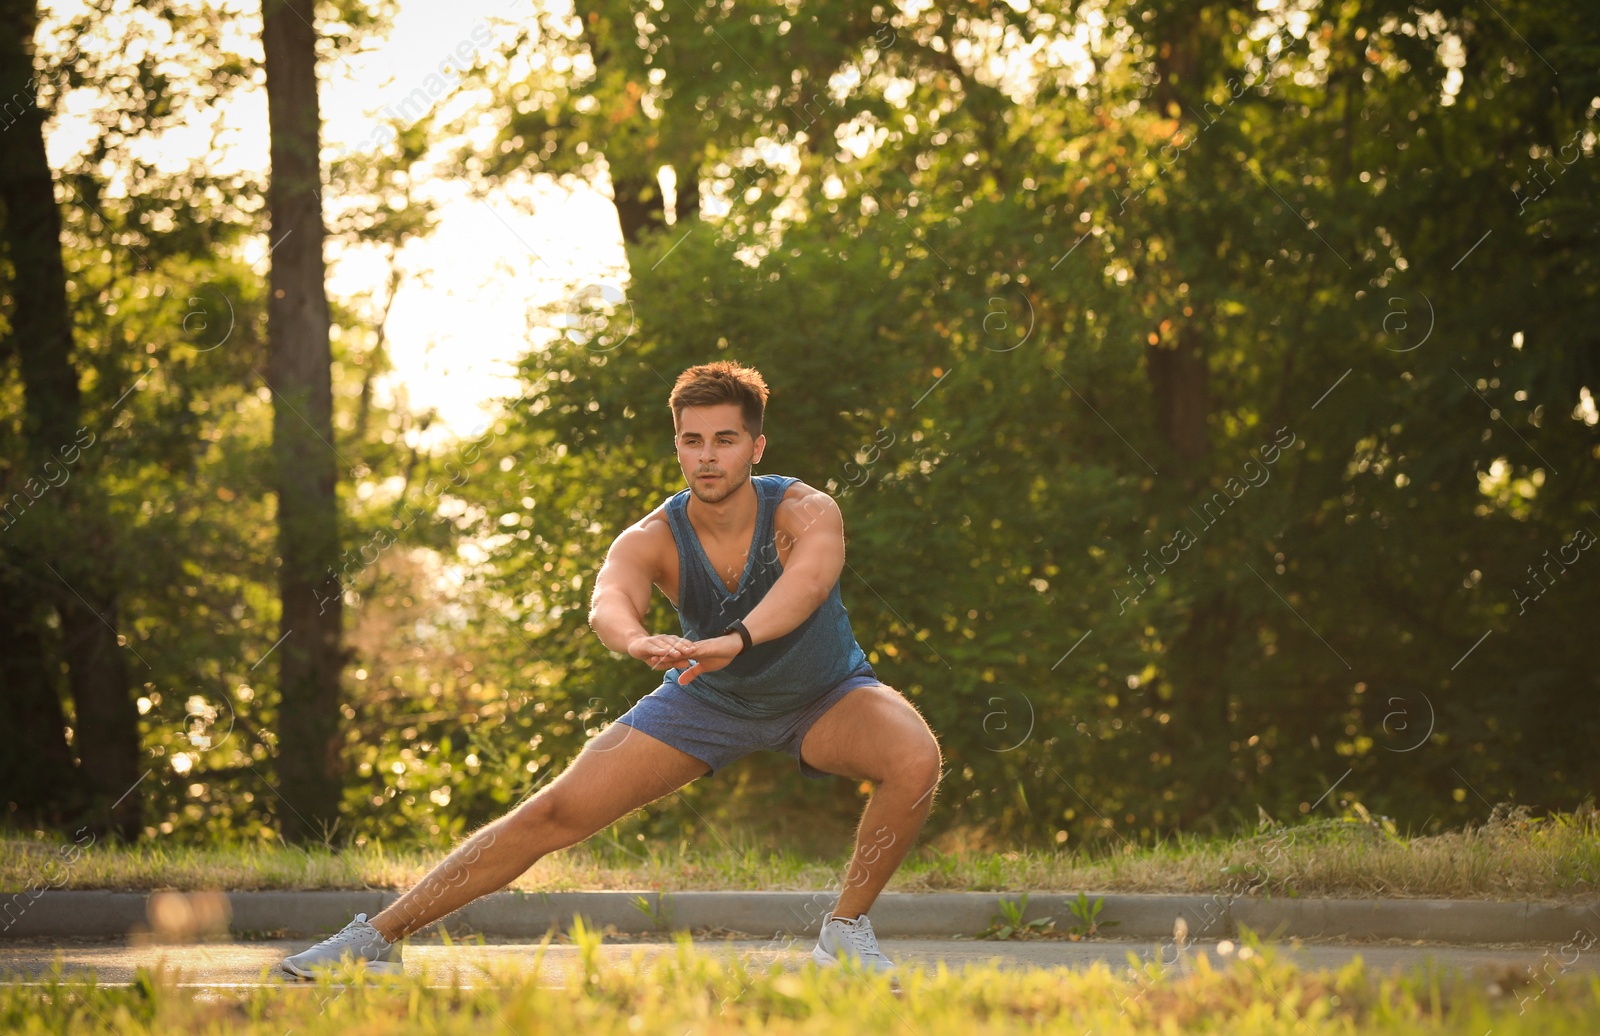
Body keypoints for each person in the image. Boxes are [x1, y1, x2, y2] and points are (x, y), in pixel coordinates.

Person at [281, 360, 944, 980]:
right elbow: (609, 602)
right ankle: (373, 940)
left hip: (823, 694)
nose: (708, 456)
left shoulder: (806, 509)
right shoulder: (652, 535)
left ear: (756, 447)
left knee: (914, 757)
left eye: (726, 440)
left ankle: (844, 931)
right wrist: (637, 642)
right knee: (552, 812)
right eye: (692, 441)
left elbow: (809, 583)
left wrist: (735, 639)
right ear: (678, 446)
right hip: (705, 699)